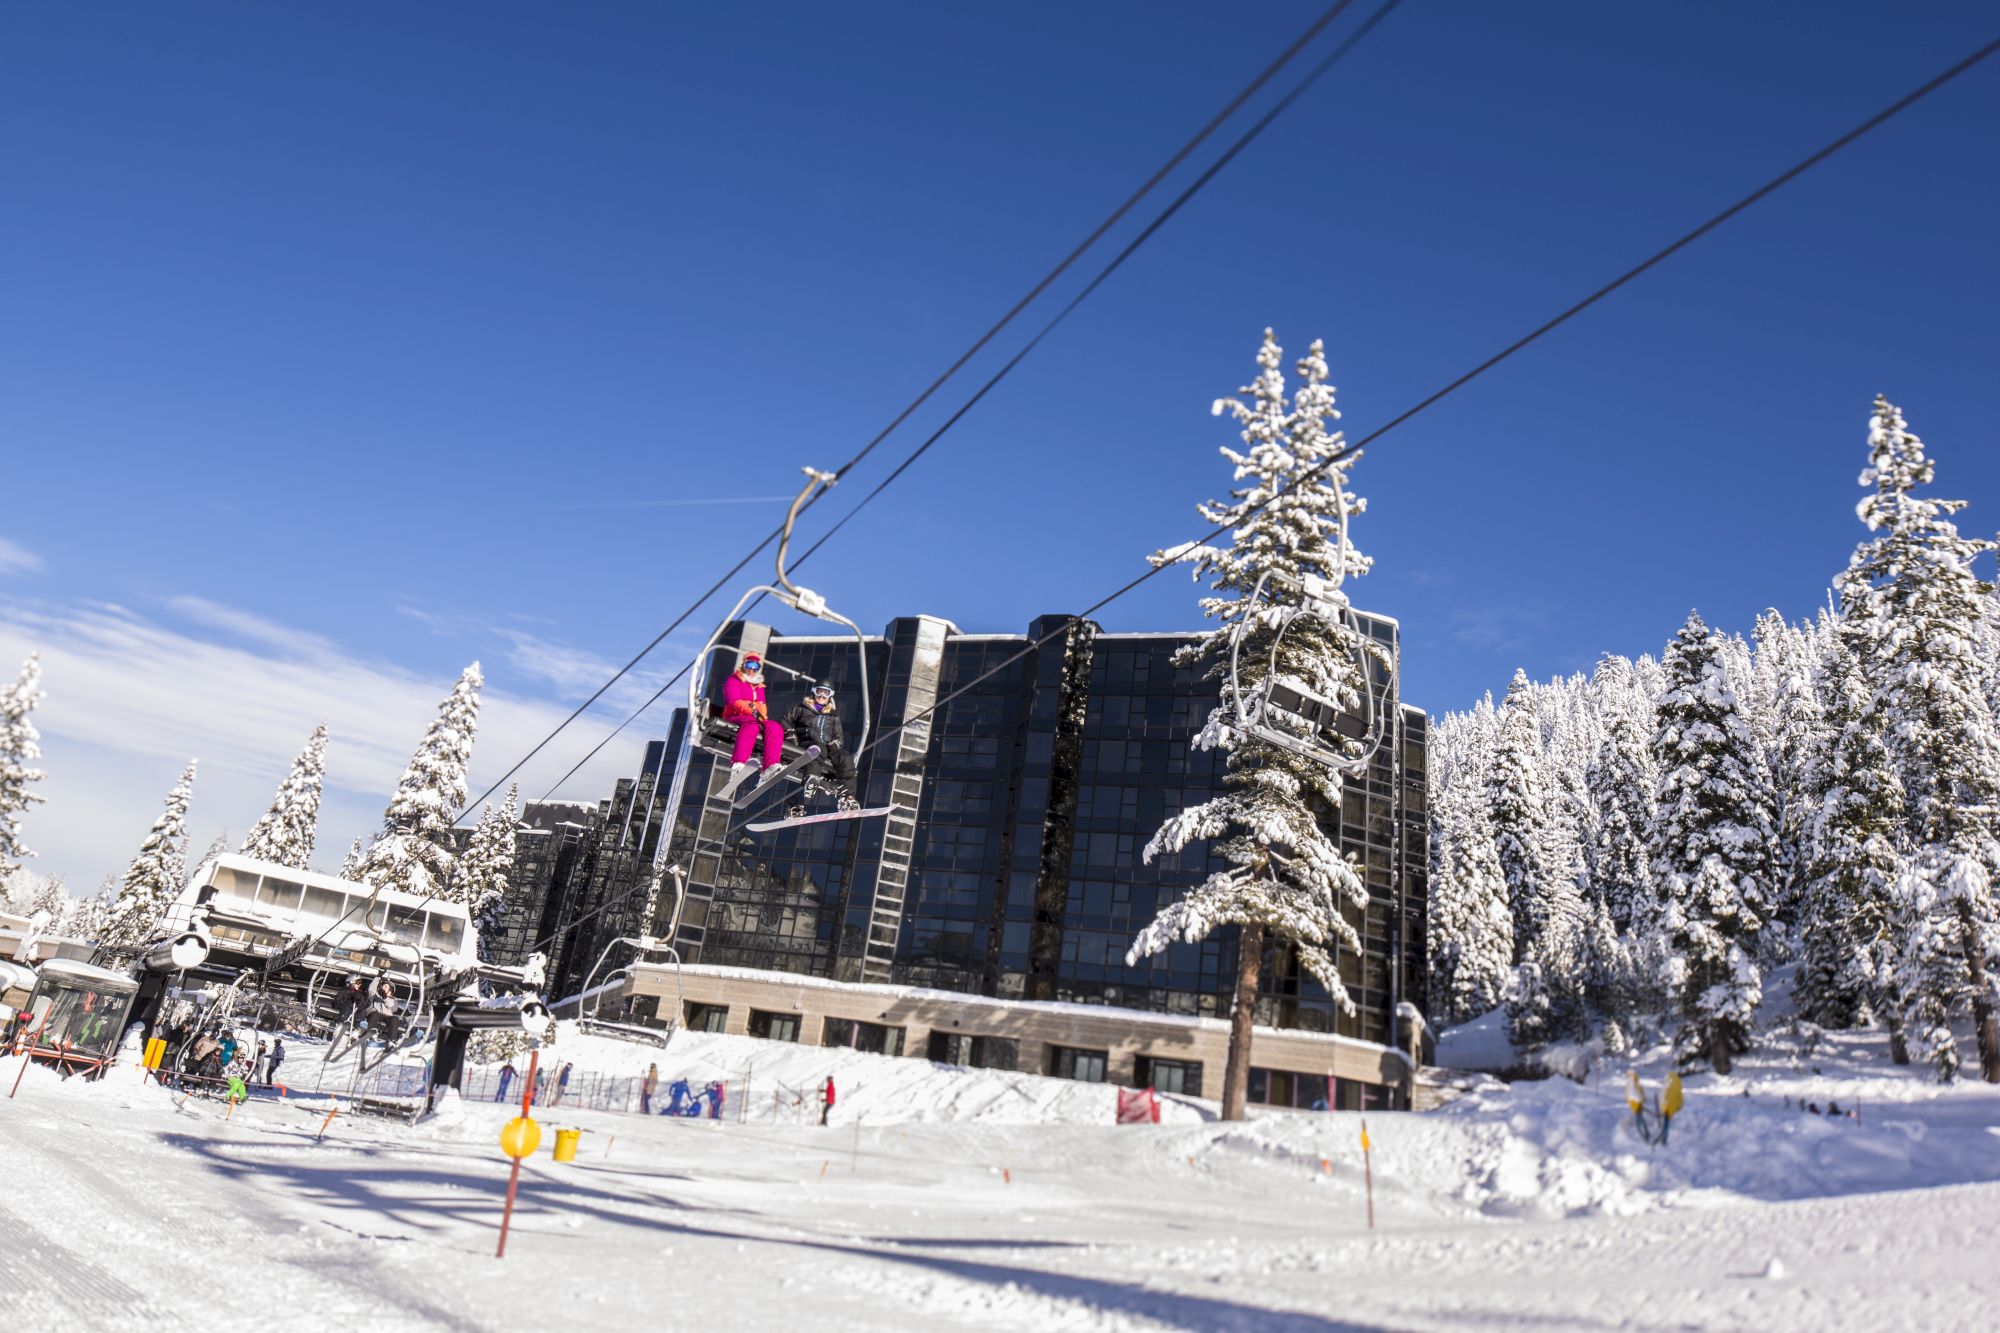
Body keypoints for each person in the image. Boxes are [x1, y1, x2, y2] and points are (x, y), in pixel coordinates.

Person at [784, 684, 861, 818]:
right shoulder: (801, 708)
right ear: (814, 692)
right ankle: (800, 797)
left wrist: (836, 743)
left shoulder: (833, 716)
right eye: (819, 692)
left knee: (846, 758)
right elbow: (785, 720)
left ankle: (847, 798)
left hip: (828, 747)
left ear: (830, 695)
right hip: (806, 743)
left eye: (826, 693)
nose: (822, 696)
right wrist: (790, 733)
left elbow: (838, 735)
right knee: (817, 751)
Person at [721, 653, 786, 787]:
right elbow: (734, 702)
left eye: (755, 666)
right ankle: (738, 764)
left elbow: (763, 708)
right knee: (752, 725)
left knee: (775, 727)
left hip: (755, 718)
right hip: (735, 716)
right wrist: (752, 709)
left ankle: (769, 766)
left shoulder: (759, 686)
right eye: (749, 665)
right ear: (743, 665)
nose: (752, 669)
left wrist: (757, 711)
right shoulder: (733, 680)